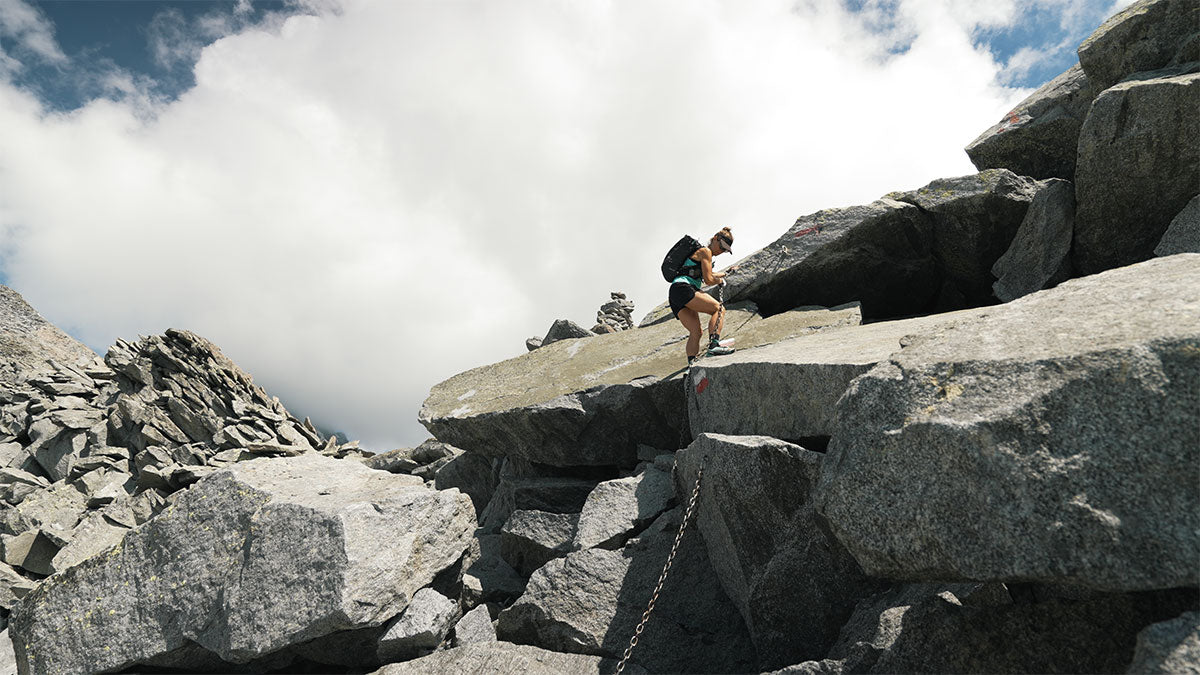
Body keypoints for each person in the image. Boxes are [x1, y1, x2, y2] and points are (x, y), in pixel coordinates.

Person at [668, 227, 738, 363]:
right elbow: (708, 279)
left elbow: (709, 274)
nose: (721, 251)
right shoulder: (706, 251)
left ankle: (691, 364)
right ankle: (714, 345)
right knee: (718, 309)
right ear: (716, 238)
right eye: (722, 247)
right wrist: (720, 281)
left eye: (725, 250)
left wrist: (727, 273)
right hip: (684, 288)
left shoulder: (702, 254)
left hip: (675, 292)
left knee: (696, 331)